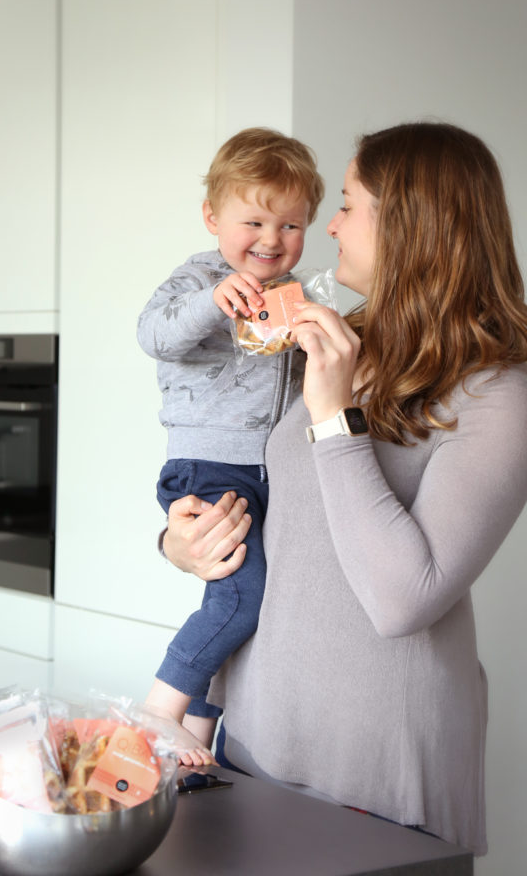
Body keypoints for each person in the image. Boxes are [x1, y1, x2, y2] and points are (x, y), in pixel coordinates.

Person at [154, 121, 527, 855]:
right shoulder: (337, 342)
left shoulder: (494, 392)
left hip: (375, 765)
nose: (332, 226)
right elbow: (280, 512)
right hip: (255, 736)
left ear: (409, 225)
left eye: (347, 204)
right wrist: (180, 541)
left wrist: (332, 415)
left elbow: (403, 598)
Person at [137, 127, 324, 765]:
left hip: (265, 469)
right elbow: (154, 334)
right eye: (254, 222)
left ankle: (196, 723)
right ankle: (161, 708)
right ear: (213, 217)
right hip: (211, 463)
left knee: (252, 595)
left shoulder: (295, 294)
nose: (272, 241)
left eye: (291, 226)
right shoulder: (199, 278)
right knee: (239, 596)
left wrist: (314, 341)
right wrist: (211, 303)